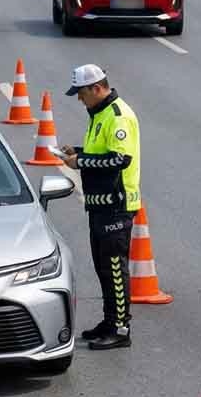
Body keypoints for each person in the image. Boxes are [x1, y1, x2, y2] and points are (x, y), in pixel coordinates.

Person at [59, 64, 141, 351]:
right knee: (102, 268)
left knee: (115, 269)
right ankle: (109, 321)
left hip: (116, 206)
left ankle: (121, 328)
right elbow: (100, 154)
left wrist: (80, 163)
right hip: (99, 206)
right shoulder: (99, 113)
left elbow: (120, 160)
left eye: (81, 94)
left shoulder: (118, 116)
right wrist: (78, 153)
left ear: (97, 88)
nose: (80, 100)